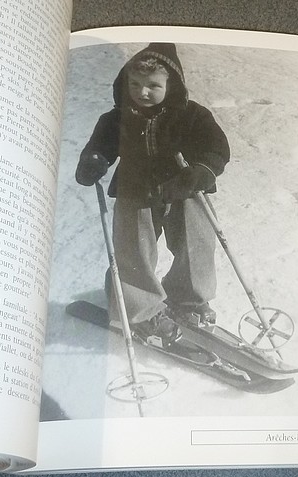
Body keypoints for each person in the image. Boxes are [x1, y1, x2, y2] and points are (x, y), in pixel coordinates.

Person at [75, 43, 230, 347]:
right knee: (133, 250)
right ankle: (141, 311)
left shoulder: (192, 115)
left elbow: (215, 146)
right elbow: (99, 147)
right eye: (134, 84)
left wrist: (203, 169)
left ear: (171, 84)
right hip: (135, 190)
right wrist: (93, 161)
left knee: (196, 241)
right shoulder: (116, 118)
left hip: (183, 187)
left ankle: (189, 300)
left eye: (153, 86)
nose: (142, 92)